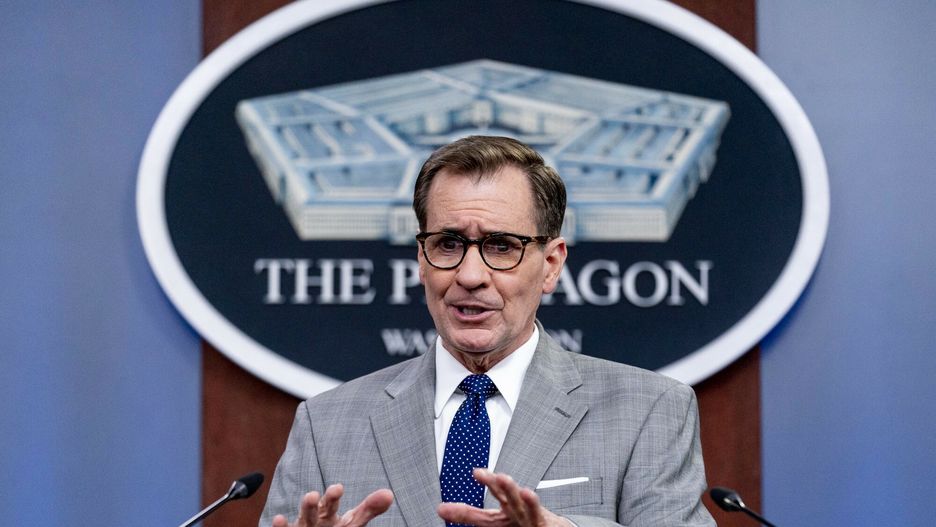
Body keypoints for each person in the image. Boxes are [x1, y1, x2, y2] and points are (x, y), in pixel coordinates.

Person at [261, 136, 715, 527]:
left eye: (501, 246)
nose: (470, 274)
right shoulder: (326, 425)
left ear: (551, 264)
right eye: (448, 244)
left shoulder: (649, 410)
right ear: (421, 260)